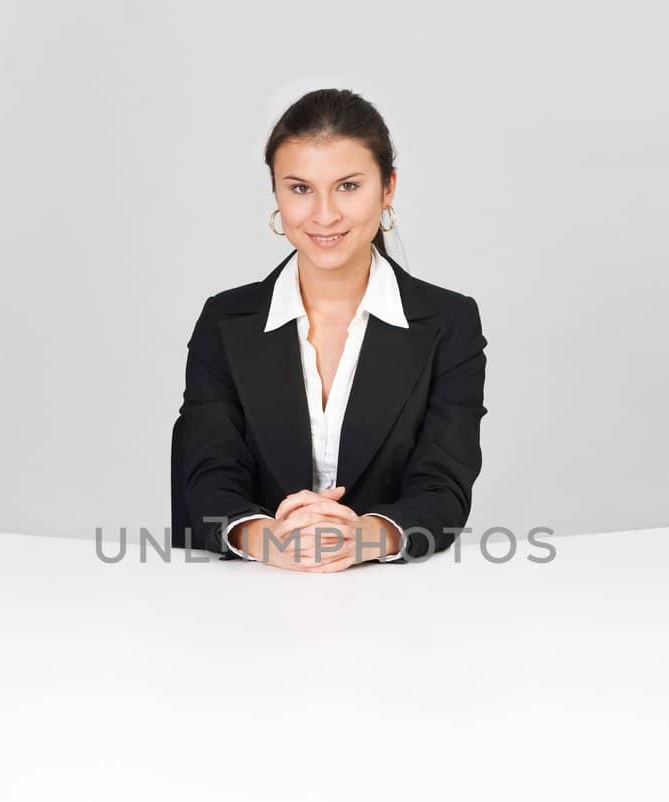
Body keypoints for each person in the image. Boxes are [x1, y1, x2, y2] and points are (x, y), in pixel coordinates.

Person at [176, 88, 488, 571]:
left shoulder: (449, 323)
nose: (324, 214)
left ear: (388, 189)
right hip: (249, 596)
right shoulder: (224, 321)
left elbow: (443, 486)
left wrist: (365, 536)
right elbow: (204, 476)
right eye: (300, 188)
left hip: (396, 608)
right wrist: (271, 539)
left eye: (348, 186)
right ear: (277, 192)